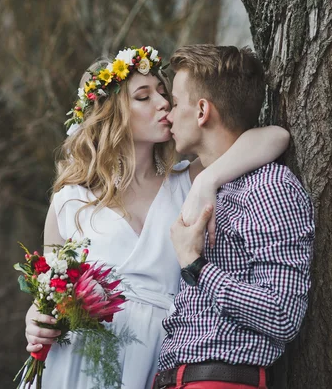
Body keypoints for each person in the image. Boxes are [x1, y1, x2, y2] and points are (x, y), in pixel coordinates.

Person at [23, 45, 290, 389]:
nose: (163, 104)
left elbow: (276, 137)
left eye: (164, 93)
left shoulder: (187, 182)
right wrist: (35, 320)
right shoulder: (69, 202)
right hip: (80, 358)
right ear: (111, 113)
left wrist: (208, 180)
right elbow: (46, 296)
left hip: (157, 356)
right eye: (143, 97)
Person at [152, 45, 315, 389]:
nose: (167, 115)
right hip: (175, 377)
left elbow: (282, 314)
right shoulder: (206, 184)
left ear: (201, 111)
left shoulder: (271, 188)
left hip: (218, 379)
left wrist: (196, 266)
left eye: (176, 103)